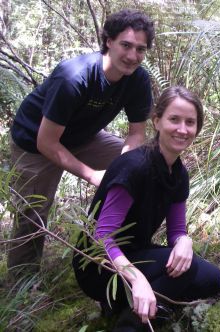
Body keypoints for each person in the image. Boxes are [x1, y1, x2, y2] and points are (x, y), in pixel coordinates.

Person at [7, 9, 155, 277]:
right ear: (108, 41)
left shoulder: (138, 79)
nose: (133, 56)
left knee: (144, 166)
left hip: (83, 137)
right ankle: (22, 285)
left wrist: (124, 165)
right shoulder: (74, 76)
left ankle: (126, 248)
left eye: (140, 49)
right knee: (34, 213)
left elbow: (136, 134)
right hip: (35, 142)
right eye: (126, 45)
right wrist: (94, 176)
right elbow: (47, 142)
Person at [72, 86, 220, 330]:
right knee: (186, 270)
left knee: (211, 278)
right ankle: (130, 325)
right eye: (174, 119)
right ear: (157, 122)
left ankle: (125, 304)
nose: (182, 129)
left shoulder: (179, 174)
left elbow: (176, 231)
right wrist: (137, 279)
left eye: (190, 122)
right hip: (98, 265)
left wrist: (185, 241)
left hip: (136, 253)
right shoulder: (134, 167)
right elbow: (101, 238)